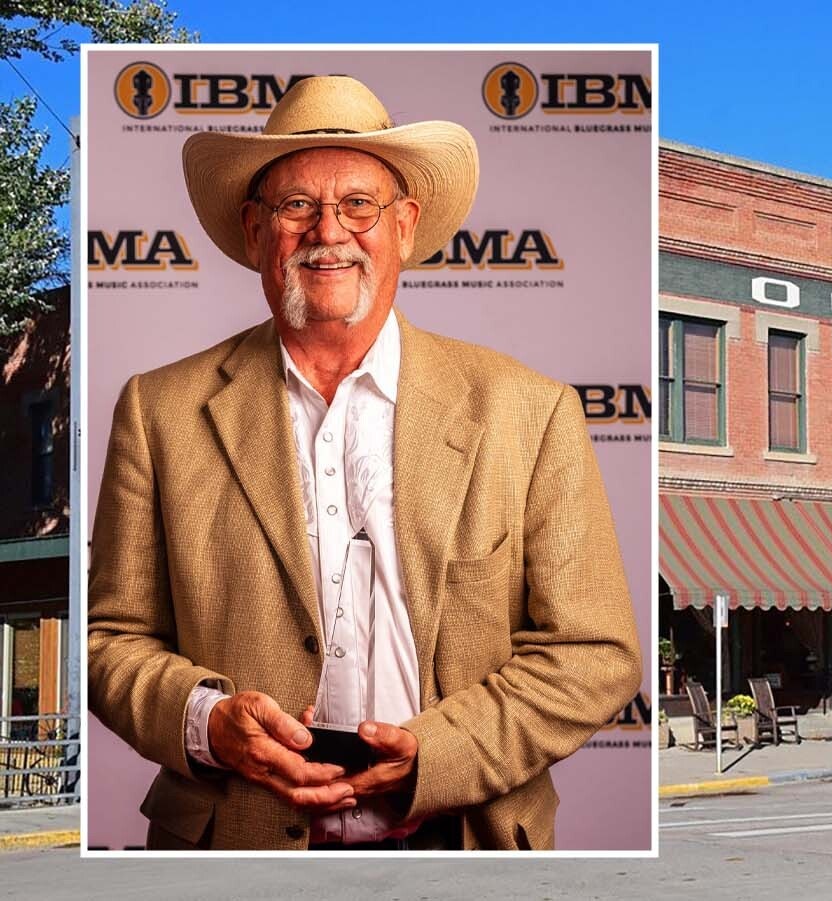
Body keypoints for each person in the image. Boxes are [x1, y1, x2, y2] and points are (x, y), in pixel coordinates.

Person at [86, 76, 641, 850]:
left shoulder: (530, 409)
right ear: (254, 231)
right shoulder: (158, 411)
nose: (328, 231)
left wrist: (440, 756)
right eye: (295, 206)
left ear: (406, 226)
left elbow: (595, 652)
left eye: (359, 204)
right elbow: (109, 639)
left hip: (462, 841)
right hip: (233, 848)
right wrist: (208, 720)